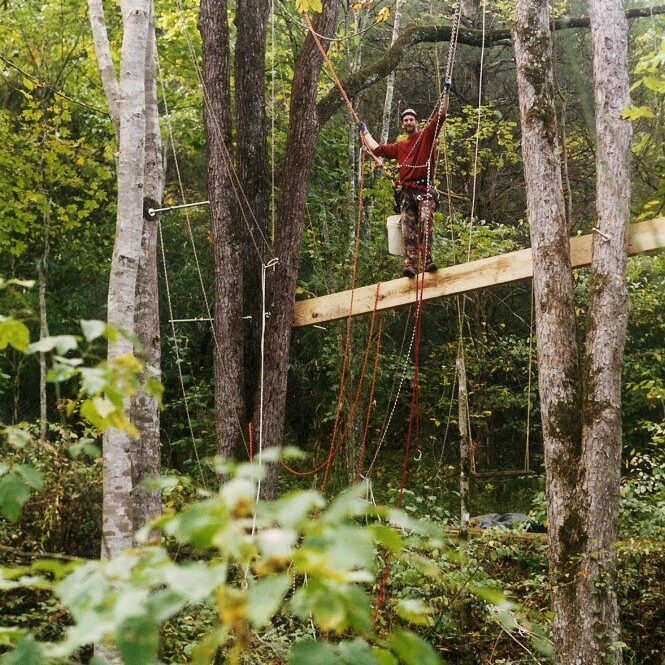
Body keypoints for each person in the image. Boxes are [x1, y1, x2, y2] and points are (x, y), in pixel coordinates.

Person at [359, 96, 449, 278]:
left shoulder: (426, 137)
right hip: (407, 194)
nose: (408, 122)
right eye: (406, 120)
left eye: (411, 119)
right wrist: (365, 131)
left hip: (424, 191)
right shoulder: (400, 147)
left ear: (416, 122)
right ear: (403, 124)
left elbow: (441, 114)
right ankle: (411, 265)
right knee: (408, 229)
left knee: (425, 223)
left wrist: (446, 92)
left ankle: (427, 261)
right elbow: (377, 149)